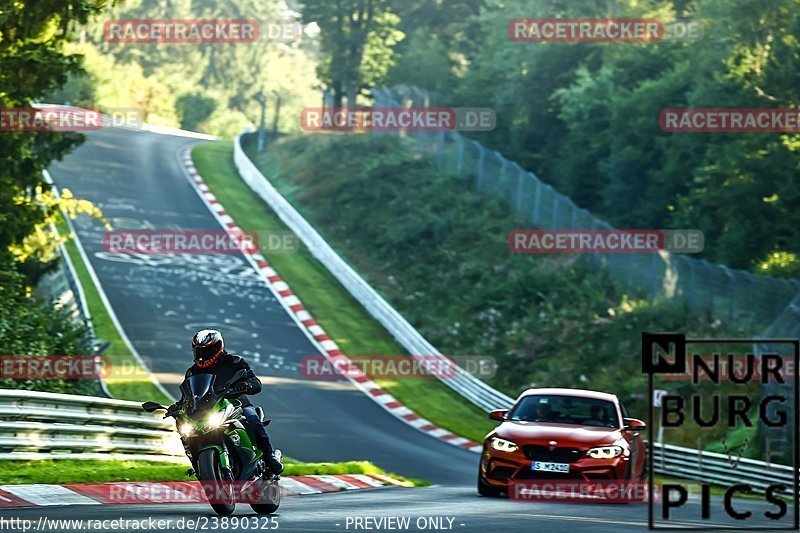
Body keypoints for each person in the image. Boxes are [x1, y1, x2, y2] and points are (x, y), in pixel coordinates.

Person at [173, 329, 283, 475]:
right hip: (205, 411)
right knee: (186, 433)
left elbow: (255, 382)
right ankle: (199, 467)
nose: (202, 355)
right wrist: (177, 406)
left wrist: (246, 385)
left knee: (253, 421)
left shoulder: (234, 362)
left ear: (218, 347)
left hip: (236, 404)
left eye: (207, 351)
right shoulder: (192, 372)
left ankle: (270, 458)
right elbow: (188, 394)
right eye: (199, 351)